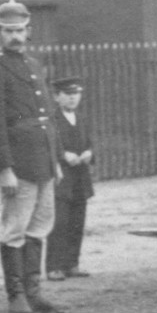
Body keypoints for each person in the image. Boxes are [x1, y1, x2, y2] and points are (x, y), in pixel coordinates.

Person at [0, 0, 63, 313]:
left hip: (44, 160)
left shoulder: (35, 65)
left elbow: (48, 116)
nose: (15, 36)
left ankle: (33, 292)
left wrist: (55, 160)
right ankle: (16, 295)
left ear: (29, 31)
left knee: (40, 226)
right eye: (8, 31)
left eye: (19, 30)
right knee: (15, 228)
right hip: (20, 164)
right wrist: (4, 168)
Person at [45, 75, 95, 281]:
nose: (73, 98)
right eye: (67, 94)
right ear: (56, 97)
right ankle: (54, 266)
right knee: (60, 223)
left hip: (80, 178)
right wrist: (63, 155)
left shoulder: (82, 118)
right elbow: (48, 146)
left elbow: (90, 142)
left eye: (76, 94)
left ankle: (72, 264)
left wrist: (89, 153)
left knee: (77, 222)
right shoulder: (51, 120)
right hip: (62, 179)